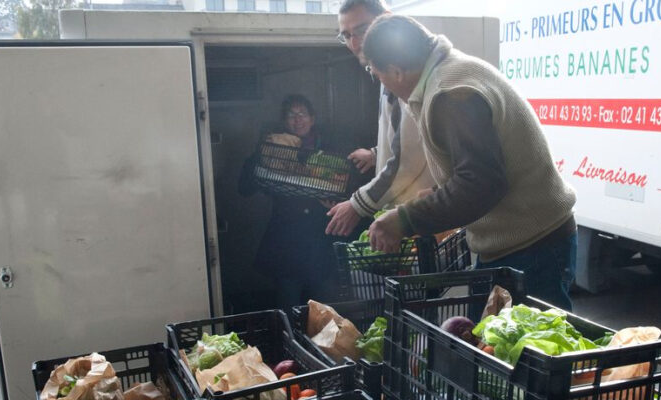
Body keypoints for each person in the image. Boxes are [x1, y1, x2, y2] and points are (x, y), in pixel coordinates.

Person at [362, 15, 579, 310]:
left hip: (533, 247)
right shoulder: (449, 72)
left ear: (397, 71)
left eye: (376, 74)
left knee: (523, 351)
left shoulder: (451, 93)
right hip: (515, 244)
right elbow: (477, 168)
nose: (382, 84)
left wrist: (405, 219)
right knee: (484, 343)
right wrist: (437, 195)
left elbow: (480, 183)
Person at [325, 0, 435, 237]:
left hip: (424, 219)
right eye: (346, 35)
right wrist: (376, 154)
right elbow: (406, 136)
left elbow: (408, 159)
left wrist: (357, 205)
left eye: (362, 30)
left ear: (386, 19)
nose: (355, 43)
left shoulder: (406, 72)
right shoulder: (386, 71)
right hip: (411, 216)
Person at [239, 94, 348, 311]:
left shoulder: (329, 146)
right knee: (287, 303)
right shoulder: (274, 148)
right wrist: (260, 153)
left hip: (321, 237)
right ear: (284, 122)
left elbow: (347, 185)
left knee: (324, 305)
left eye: (302, 114)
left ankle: (322, 345)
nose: (297, 120)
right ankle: (289, 343)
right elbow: (245, 187)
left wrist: (335, 202)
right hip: (286, 238)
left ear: (312, 118)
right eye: (291, 116)